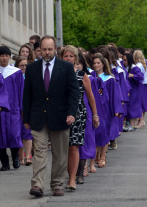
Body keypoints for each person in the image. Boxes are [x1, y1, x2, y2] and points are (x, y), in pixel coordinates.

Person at [23, 36, 79, 198]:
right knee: (39, 152)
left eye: (50, 49)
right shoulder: (32, 68)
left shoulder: (66, 67)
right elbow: (27, 95)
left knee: (60, 153)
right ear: (39, 50)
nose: (47, 52)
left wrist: (71, 113)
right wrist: (26, 118)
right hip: (38, 117)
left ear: (56, 49)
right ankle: (37, 185)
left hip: (61, 116)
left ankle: (57, 184)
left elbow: (73, 93)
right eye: (44, 49)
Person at [61, 46, 98, 190]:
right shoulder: (57, 74)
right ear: (62, 57)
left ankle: (72, 179)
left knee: (74, 146)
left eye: (71, 56)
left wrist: (95, 115)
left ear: (76, 58)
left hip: (78, 113)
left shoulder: (82, 75)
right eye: (66, 56)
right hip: (60, 113)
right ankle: (65, 175)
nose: (69, 58)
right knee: (62, 148)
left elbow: (90, 97)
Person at [0, 46, 24, 171]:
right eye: (2, 56)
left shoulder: (16, 72)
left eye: (6, 55)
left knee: (14, 134)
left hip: (13, 109)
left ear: (9, 57)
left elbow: (21, 91)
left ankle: (15, 158)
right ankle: (4, 163)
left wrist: (21, 108)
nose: (4, 58)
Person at [14, 56, 33, 166]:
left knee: (28, 132)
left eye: (26, 65)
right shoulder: (15, 76)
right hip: (17, 107)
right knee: (19, 133)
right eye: (21, 65)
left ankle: (28, 156)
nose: (24, 67)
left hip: (28, 107)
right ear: (17, 66)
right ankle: (20, 156)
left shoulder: (30, 76)